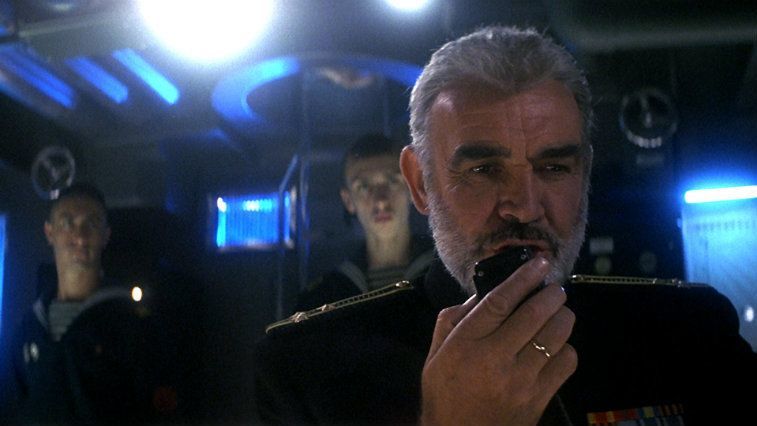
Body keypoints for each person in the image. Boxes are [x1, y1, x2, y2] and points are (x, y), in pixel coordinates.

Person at [252, 26, 757, 425]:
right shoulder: (310, 369)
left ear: (583, 174)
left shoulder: (688, 334)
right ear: (421, 184)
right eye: (483, 170)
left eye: (554, 167)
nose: (524, 207)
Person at [9, 183, 180, 424]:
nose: (80, 237)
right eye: (67, 223)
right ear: (49, 233)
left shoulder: (134, 324)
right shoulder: (29, 328)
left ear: (105, 235)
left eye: (91, 224)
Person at [295, 133, 434, 311]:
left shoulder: (449, 278)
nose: (381, 201)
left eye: (392, 181)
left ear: (411, 189)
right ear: (348, 200)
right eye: (364, 187)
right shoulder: (324, 298)